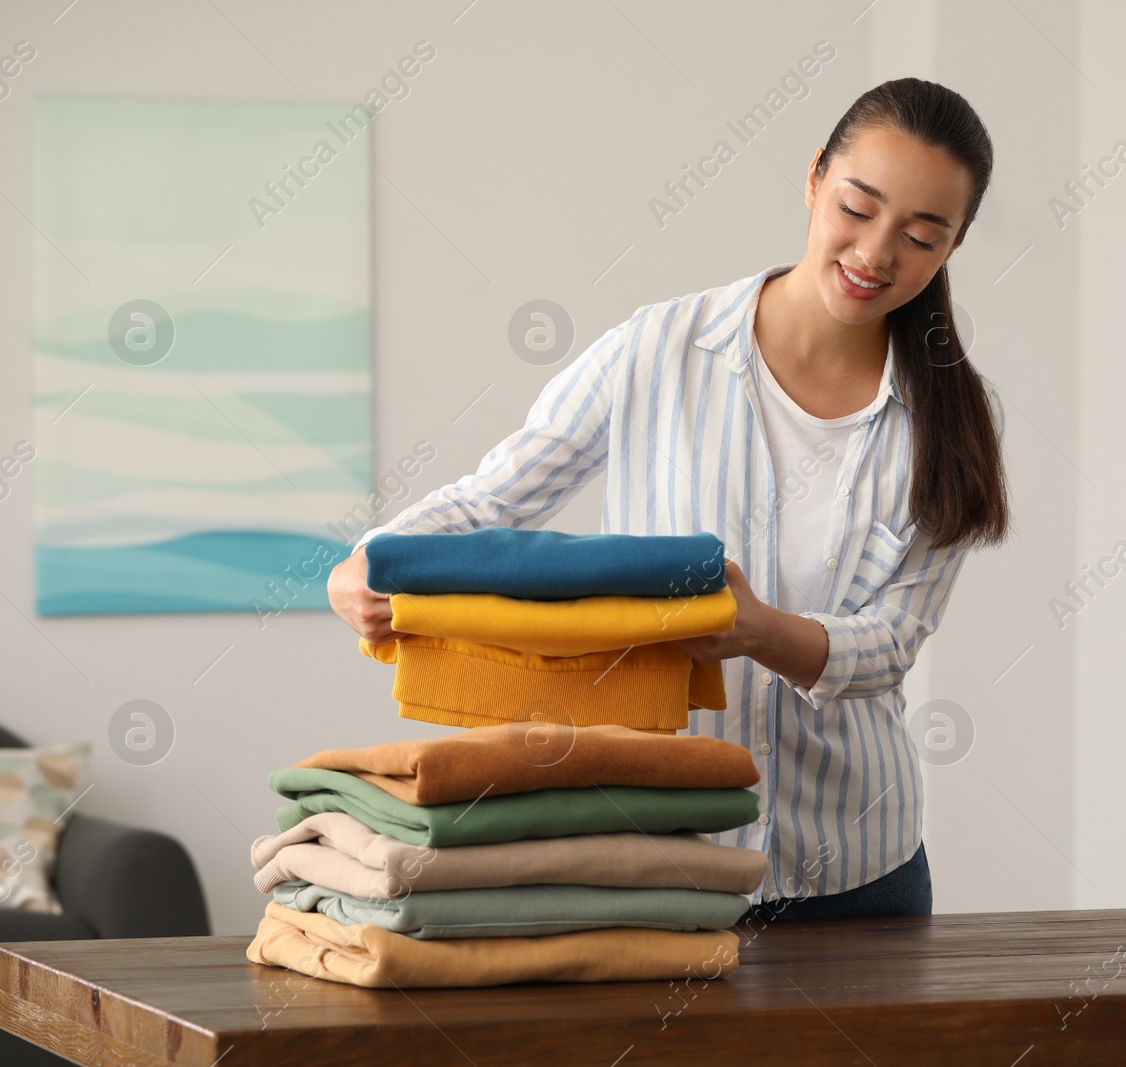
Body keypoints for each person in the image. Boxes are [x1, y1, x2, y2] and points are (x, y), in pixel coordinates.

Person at [328, 77, 1011, 925]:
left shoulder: (952, 417)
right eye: (857, 207)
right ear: (813, 179)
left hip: (859, 869)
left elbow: (890, 644)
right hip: (661, 859)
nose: (876, 253)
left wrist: (759, 631)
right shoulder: (658, 351)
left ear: (951, 248)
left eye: (920, 235)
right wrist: (371, 559)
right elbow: (496, 496)